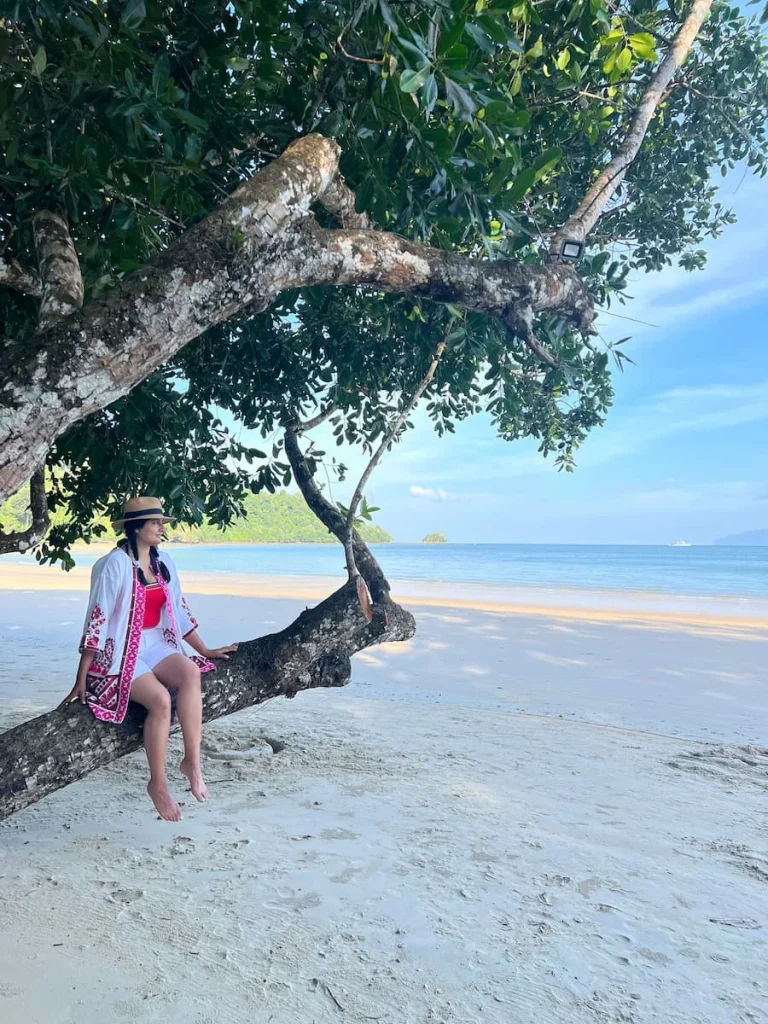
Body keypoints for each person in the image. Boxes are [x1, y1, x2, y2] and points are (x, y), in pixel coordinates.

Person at [63, 497, 238, 822]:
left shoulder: (164, 562)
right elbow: (98, 618)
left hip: (156, 641)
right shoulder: (114, 565)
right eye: (155, 523)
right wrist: (81, 677)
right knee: (160, 700)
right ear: (135, 527)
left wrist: (204, 650)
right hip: (120, 651)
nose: (161, 528)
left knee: (190, 673)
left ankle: (192, 762)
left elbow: (179, 610)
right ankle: (157, 784)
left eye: (161, 523)